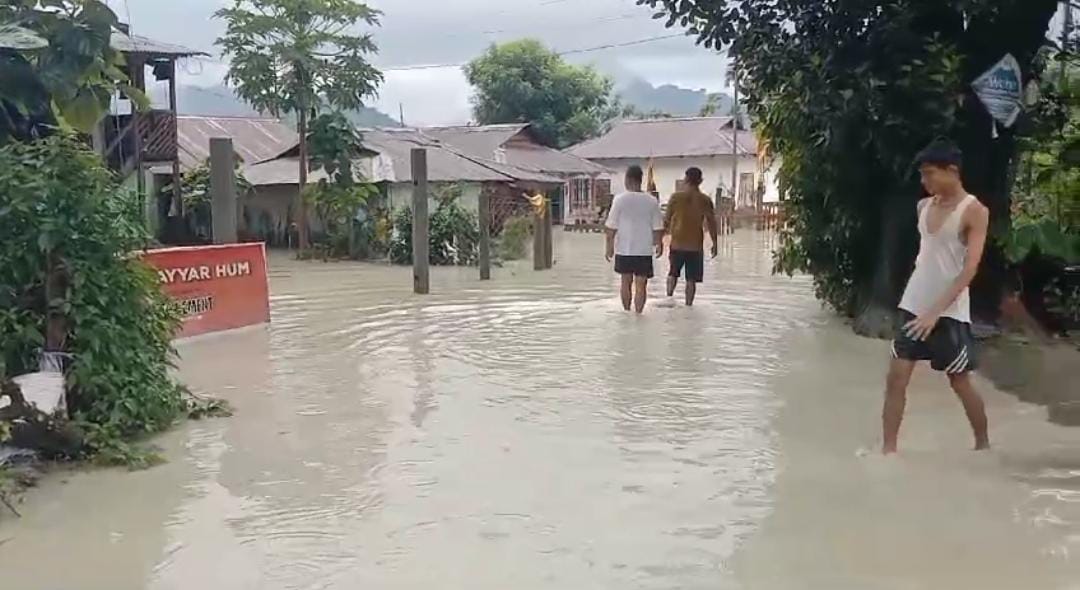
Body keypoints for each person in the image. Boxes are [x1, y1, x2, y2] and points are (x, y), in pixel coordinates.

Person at [882, 140, 991, 455]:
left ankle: (983, 446)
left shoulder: (974, 211)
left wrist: (935, 313)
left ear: (952, 171)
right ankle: (888, 452)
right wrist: (922, 311)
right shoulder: (923, 206)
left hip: (950, 311)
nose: (924, 182)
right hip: (913, 304)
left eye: (929, 174)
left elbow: (969, 270)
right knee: (896, 379)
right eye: (922, 175)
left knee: (959, 381)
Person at [605, 165, 664, 313]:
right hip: (644, 250)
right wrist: (659, 244)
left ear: (628, 179)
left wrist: (609, 246)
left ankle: (626, 312)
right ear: (640, 179)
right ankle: (638, 314)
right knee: (641, 285)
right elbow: (658, 227)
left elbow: (611, 226)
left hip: (624, 249)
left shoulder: (619, 199)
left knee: (625, 282)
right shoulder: (651, 201)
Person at [664, 167, 718, 306]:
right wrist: (715, 243)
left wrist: (659, 240)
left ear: (686, 179)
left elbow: (666, 220)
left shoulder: (676, 197)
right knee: (691, 279)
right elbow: (711, 223)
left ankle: (668, 298)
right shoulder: (705, 200)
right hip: (695, 246)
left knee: (672, 274)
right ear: (700, 181)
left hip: (677, 243)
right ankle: (689, 306)